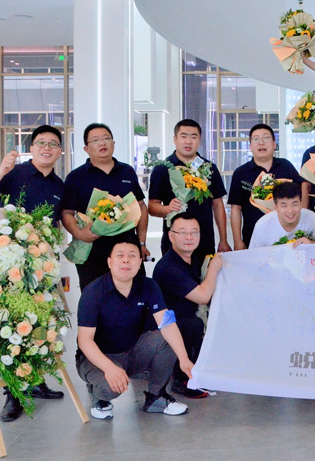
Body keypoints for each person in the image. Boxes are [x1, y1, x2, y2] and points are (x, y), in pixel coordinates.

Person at [0, 125, 66, 420]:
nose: (46, 147)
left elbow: (57, 226)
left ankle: (35, 382)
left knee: (41, 325)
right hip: (10, 266)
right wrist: (2, 170)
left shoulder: (60, 185)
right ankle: (13, 394)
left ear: (60, 151)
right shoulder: (15, 174)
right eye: (41, 143)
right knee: (12, 329)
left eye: (53, 143)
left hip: (41, 268)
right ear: (31, 148)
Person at [76, 239, 192, 419]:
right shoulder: (93, 292)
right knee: (110, 388)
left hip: (131, 352)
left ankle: (156, 397)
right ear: (109, 262)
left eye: (132, 256)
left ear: (139, 262)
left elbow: (167, 323)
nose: (126, 260)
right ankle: (99, 396)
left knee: (166, 339)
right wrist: (109, 368)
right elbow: (85, 340)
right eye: (120, 256)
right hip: (98, 358)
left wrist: (184, 359)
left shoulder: (149, 286)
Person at [62, 123, 148, 289]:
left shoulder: (127, 171)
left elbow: (141, 207)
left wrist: (142, 242)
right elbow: (67, 213)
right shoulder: (76, 177)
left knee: (135, 295)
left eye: (106, 138)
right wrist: (80, 233)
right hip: (92, 250)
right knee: (95, 297)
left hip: (127, 249)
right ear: (86, 148)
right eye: (95, 140)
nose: (102, 143)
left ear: (113, 144)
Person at [152, 212, 224, 399]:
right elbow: (202, 296)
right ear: (171, 236)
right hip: (165, 329)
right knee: (194, 324)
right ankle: (183, 380)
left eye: (194, 232)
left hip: (186, 320)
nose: (189, 237)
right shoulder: (169, 267)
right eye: (183, 232)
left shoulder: (193, 259)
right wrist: (213, 269)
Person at [148, 119, 229, 268]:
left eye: (193, 137)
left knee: (207, 279)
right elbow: (152, 207)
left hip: (204, 241)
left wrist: (223, 240)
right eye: (184, 136)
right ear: (175, 139)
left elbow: (218, 205)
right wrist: (168, 209)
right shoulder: (163, 169)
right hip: (174, 243)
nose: (188, 141)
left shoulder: (209, 168)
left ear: (199, 140)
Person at [228, 124, 306, 250]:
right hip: (253, 237)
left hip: (288, 236)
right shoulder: (241, 173)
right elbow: (236, 209)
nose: (261, 143)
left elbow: (300, 196)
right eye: (256, 139)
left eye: (266, 138)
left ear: (274, 144)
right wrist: (237, 240)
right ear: (250, 146)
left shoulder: (286, 167)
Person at [248, 182, 315, 248]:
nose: (290, 211)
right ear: (275, 208)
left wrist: (312, 244)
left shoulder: (312, 219)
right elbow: (254, 255)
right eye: (284, 206)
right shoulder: (262, 226)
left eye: (294, 204)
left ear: (301, 205)